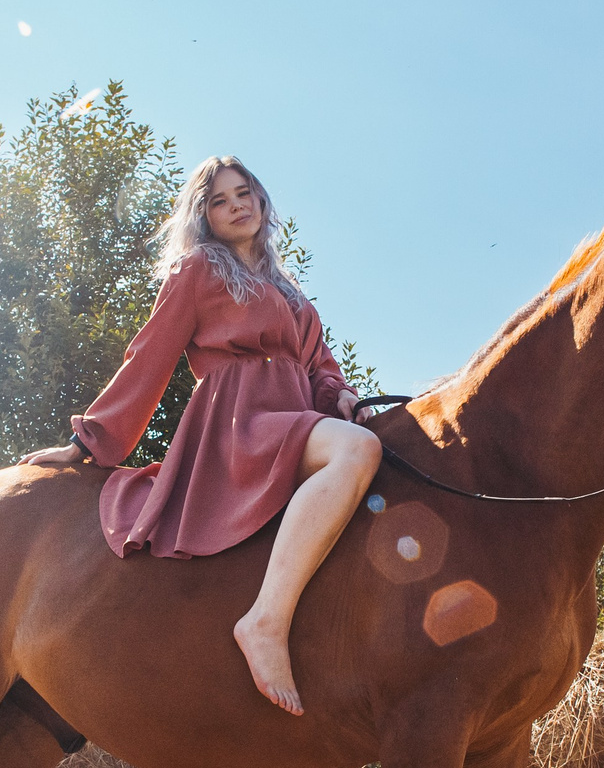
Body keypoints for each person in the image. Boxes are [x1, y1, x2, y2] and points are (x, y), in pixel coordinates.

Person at [21, 155, 381, 715]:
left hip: (294, 417)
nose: (236, 205)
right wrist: (91, 441)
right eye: (219, 200)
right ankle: (264, 623)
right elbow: (151, 353)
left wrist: (342, 396)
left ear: (262, 202)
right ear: (204, 216)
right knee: (358, 449)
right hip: (240, 424)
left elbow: (321, 368)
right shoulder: (199, 271)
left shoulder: (288, 291)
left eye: (244, 193)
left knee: (371, 448)